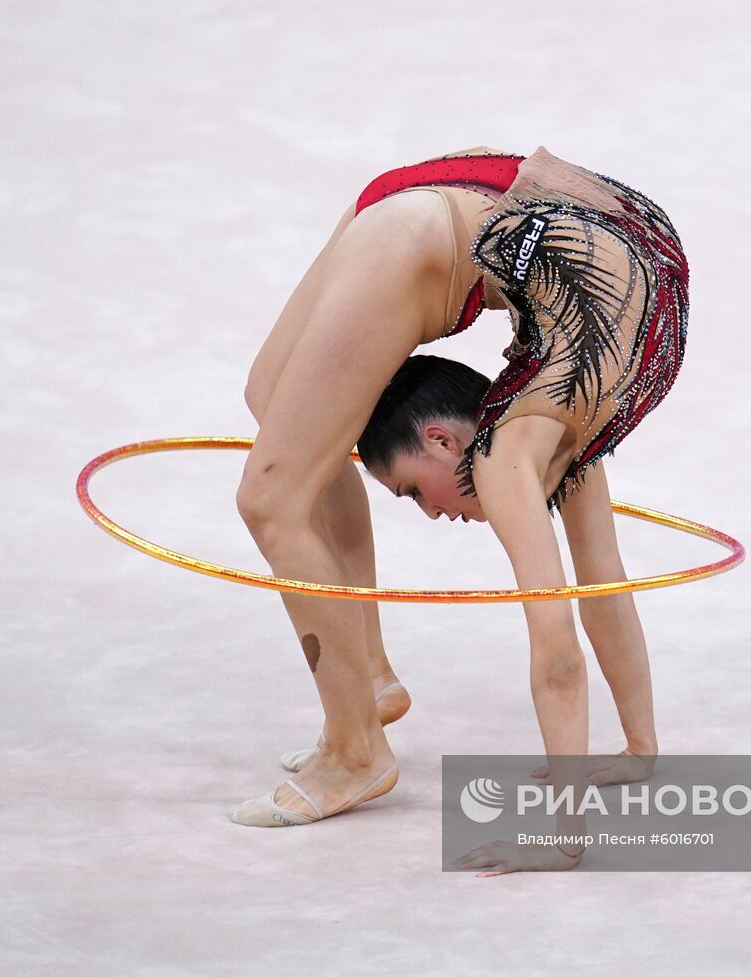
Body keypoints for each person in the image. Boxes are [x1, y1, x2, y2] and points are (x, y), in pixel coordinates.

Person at [228, 146, 691, 872]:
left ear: (443, 437)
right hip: (553, 229)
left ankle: (355, 752)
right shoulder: (570, 431)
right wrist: (639, 748)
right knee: (277, 413)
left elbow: (562, 651)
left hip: (460, 209)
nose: (430, 514)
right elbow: (600, 579)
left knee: (270, 494)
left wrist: (565, 837)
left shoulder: (511, 456)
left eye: (412, 490)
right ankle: (369, 680)